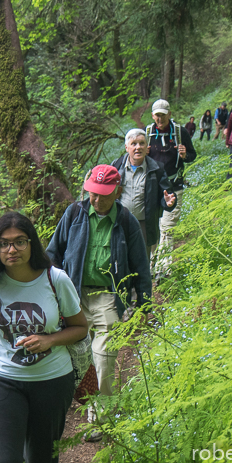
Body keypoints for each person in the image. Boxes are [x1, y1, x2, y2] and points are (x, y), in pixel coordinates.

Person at [0, 212, 89, 463]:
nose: (12, 249)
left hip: (53, 381)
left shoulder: (55, 280)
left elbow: (80, 328)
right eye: (4, 243)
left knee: (41, 460)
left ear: (32, 243)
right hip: (4, 379)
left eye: (20, 241)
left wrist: (49, 340)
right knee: (5, 461)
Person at [47, 164, 152, 441]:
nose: (97, 199)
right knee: (74, 359)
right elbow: (52, 254)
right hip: (74, 295)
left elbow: (141, 266)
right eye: (93, 193)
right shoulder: (74, 214)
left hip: (108, 297)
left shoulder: (126, 221)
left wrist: (144, 305)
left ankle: (99, 421)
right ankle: (58, 416)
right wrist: (50, 291)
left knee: (104, 359)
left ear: (117, 192)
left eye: (104, 194)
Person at [145, 99, 196, 274]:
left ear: (169, 114)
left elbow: (192, 155)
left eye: (163, 115)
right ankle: (150, 265)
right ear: (153, 115)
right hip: (153, 189)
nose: (160, 119)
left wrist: (184, 155)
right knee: (152, 226)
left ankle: (164, 269)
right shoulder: (148, 133)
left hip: (174, 186)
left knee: (167, 228)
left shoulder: (180, 132)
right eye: (157, 115)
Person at [111, 128, 177, 261]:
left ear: (147, 147)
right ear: (126, 147)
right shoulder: (116, 167)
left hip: (144, 224)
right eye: (134, 144)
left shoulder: (156, 169)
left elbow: (167, 194)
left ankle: (143, 282)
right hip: (120, 221)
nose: (138, 147)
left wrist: (168, 202)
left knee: (142, 260)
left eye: (142, 143)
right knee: (120, 258)